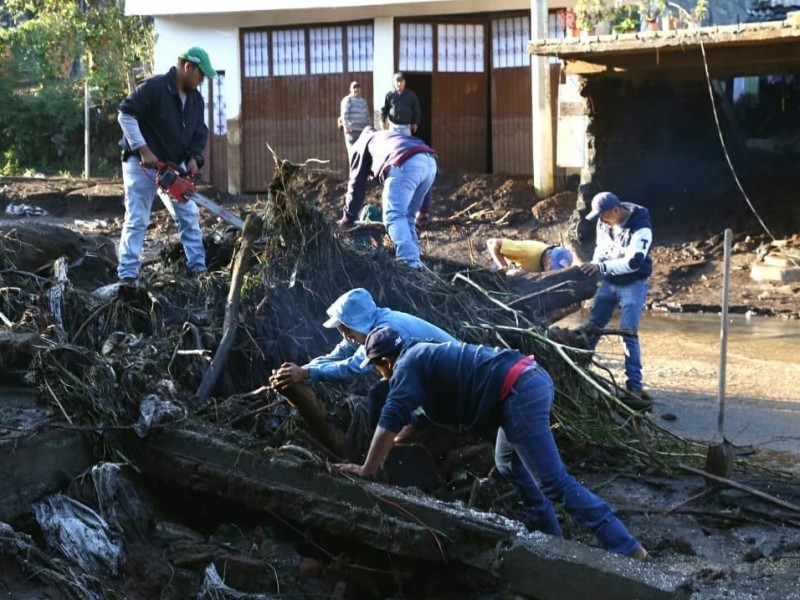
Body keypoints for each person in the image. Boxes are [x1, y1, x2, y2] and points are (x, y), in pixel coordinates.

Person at [335, 326, 649, 560]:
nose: (380, 374)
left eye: (377, 368)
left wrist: (367, 467)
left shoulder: (405, 366)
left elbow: (392, 414)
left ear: (385, 361)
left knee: (553, 482)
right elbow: (419, 419)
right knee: (508, 463)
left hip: (518, 393)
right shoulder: (422, 353)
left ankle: (628, 548)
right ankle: (549, 539)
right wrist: (394, 446)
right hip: (523, 385)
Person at [269, 288, 456, 427]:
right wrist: (302, 370)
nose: (344, 335)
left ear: (357, 321)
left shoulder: (383, 329)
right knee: (385, 393)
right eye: (341, 329)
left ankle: (388, 447)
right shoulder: (368, 325)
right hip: (432, 374)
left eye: (346, 328)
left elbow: (354, 366)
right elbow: (338, 355)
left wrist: (306, 373)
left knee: (382, 395)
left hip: (452, 375)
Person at [116, 47, 216, 283]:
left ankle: (198, 269)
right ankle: (127, 274)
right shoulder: (155, 87)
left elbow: (199, 134)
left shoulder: (195, 100)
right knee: (138, 218)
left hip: (173, 166)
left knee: (189, 214)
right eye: (201, 74)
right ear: (188, 67)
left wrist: (193, 159)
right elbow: (125, 115)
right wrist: (144, 150)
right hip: (142, 164)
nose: (202, 80)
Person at [579, 191, 653, 408]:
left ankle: (634, 387)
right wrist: (594, 266)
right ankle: (580, 367)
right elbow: (601, 250)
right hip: (609, 282)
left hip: (633, 283)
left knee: (628, 332)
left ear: (616, 210)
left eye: (604, 216)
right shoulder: (604, 223)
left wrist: (600, 267)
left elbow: (633, 263)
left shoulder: (641, 227)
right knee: (593, 325)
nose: (601, 220)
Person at [337, 128, 437, 269]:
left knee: (394, 216)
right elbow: (419, 161)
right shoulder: (387, 137)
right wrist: (424, 209)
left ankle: (409, 265)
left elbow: (356, 184)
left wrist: (347, 219)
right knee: (407, 218)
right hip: (430, 163)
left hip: (405, 163)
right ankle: (417, 265)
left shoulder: (361, 144)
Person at [486, 238, 574, 274]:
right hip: (502, 270)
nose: (552, 273)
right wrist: (506, 269)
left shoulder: (550, 257)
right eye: (552, 268)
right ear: (548, 258)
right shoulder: (528, 251)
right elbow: (492, 243)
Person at [380, 72, 421, 136]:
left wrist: (416, 123)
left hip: (406, 128)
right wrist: (382, 119)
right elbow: (385, 109)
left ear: (405, 82)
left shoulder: (411, 95)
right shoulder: (389, 95)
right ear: (394, 82)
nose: (399, 84)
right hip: (393, 127)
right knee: (393, 145)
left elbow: (416, 109)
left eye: (401, 81)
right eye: (397, 81)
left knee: (406, 145)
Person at [338, 81, 371, 156]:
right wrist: (346, 127)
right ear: (350, 89)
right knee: (353, 153)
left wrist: (369, 127)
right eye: (354, 87)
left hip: (363, 131)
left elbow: (367, 115)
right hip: (352, 131)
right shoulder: (347, 100)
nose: (356, 89)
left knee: (362, 154)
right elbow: (344, 114)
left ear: (361, 89)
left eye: (358, 87)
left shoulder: (363, 101)